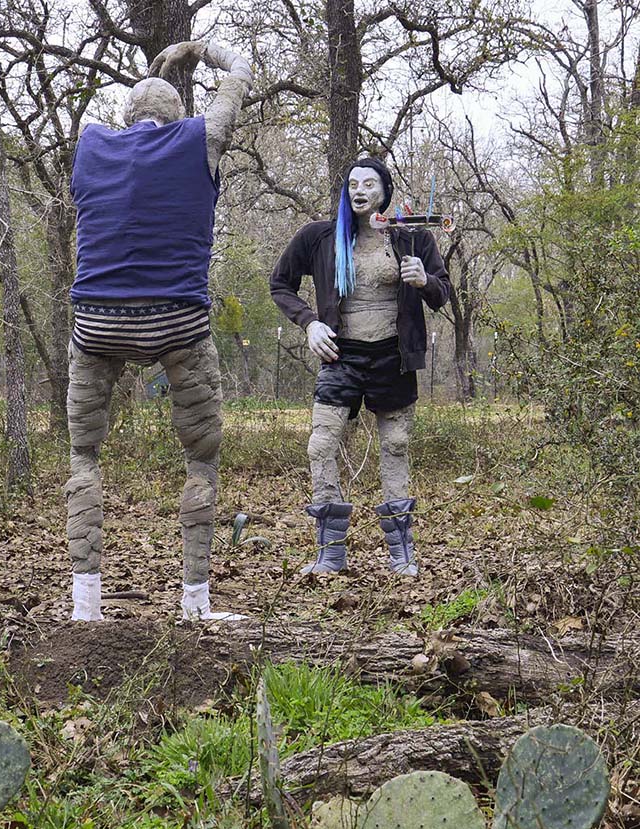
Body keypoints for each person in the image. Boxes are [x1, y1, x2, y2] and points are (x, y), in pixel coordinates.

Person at [65, 38, 252, 622]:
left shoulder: (91, 145)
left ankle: (85, 606)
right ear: (180, 115)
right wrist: (203, 49)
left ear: (125, 116)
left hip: (97, 319)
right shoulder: (201, 141)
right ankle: (195, 603)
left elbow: (140, 127)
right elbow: (241, 74)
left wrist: (155, 74)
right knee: (201, 460)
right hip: (178, 319)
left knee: (83, 456)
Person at [270, 158, 451, 577]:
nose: (359, 190)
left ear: (385, 191)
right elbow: (280, 283)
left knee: (396, 446)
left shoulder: (411, 237)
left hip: (394, 355)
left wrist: (424, 280)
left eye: (369, 183)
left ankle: (401, 553)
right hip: (340, 354)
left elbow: (442, 294)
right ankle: (330, 552)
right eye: (353, 183)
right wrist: (309, 321)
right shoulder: (320, 237)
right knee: (321, 444)